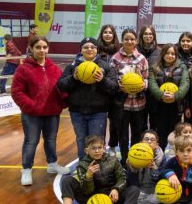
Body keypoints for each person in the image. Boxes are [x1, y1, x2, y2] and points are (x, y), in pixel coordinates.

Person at [53, 135, 141, 204]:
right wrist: (88, 176)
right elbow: (86, 191)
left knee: (134, 189)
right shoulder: (82, 165)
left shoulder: (113, 160)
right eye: (93, 148)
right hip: (91, 198)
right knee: (67, 180)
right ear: (86, 151)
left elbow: (122, 178)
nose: (97, 151)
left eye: (99, 147)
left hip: (112, 198)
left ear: (104, 148)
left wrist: (116, 189)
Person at [11, 36, 69, 185]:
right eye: (38, 47)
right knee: (31, 141)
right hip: (32, 114)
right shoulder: (23, 69)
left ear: (48, 48)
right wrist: (31, 106)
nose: (42, 50)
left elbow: (61, 89)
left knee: (50, 140)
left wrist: (65, 101)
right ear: (31, 48)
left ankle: (52, 164)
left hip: (52, 113)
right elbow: (17, 92)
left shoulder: (54, 68)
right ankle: (26, 170)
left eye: (44, 47)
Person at [57, 37, 119, 159]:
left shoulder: (105, 66)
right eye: (86, 47)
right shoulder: (72, 66)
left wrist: (102, 80)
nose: (89, 49)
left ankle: (99, 167)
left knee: (97, 141)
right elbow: (61, 85)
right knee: (81, 140)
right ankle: (83, 165)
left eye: (92, 47)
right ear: (81, 50)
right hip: (77, 111)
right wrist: (73, 78)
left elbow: (114, 87)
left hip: (98, 111)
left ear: (97, 49)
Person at [110, 29, 149, 165]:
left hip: (139, 103)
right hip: (122, 103)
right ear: (122, 40)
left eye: (132, 39)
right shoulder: (115, 58)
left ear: (136, 41)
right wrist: (118, 85)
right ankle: (124, 159)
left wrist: (142, 85)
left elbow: (146, 78)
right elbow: (111, 78)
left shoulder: (142, 59)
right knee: (123, 134)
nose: (129, 41)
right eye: (126, 39)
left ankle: (135, 159)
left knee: (137, 133)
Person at [148, 43, 190, 149]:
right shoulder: (155, 67)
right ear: (162, 54)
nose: (170, 55)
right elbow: (152, 84)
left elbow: (185, 84)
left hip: (176, 106)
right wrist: (161, 95)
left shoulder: (182, 67)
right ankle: (158, 158)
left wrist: (175, 96)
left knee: (175, 134)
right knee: (160, 134)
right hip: (159, 106)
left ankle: (175, 158)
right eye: (167, 53)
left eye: (173, 53)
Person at [97, 24, 121, 156]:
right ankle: (99, 148)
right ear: (101, 34)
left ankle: (112, 146)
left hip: (114, 91)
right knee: (100, 123)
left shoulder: (119, 51)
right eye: (105, 32)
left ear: (114, 35)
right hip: (99, 92)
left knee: (115, 122)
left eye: (110, 32)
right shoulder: (95, 50)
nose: (107, 34)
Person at [128, 130, 165, 204]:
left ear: (157, 145)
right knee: (130, 191)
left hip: (153, 190)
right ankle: (135, 203)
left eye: (152, 140)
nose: (149, 142)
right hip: (138, 190)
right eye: (146, 139)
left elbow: (162, 180)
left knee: (164, 196)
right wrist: (133, 169)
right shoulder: (133, 155)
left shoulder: (161, 157)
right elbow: (132, 183)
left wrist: (155, 169)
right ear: (140, 142)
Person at [138, 25, 161, 130]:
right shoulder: (135, 51)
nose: (148, 36)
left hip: (154, 91)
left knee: (155, 119)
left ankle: (154, 142)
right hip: (138, 91)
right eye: (145, 34)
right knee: (140, 121)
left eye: (150, 34)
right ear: (141, 36)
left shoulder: (160, 52)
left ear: (154, 36)